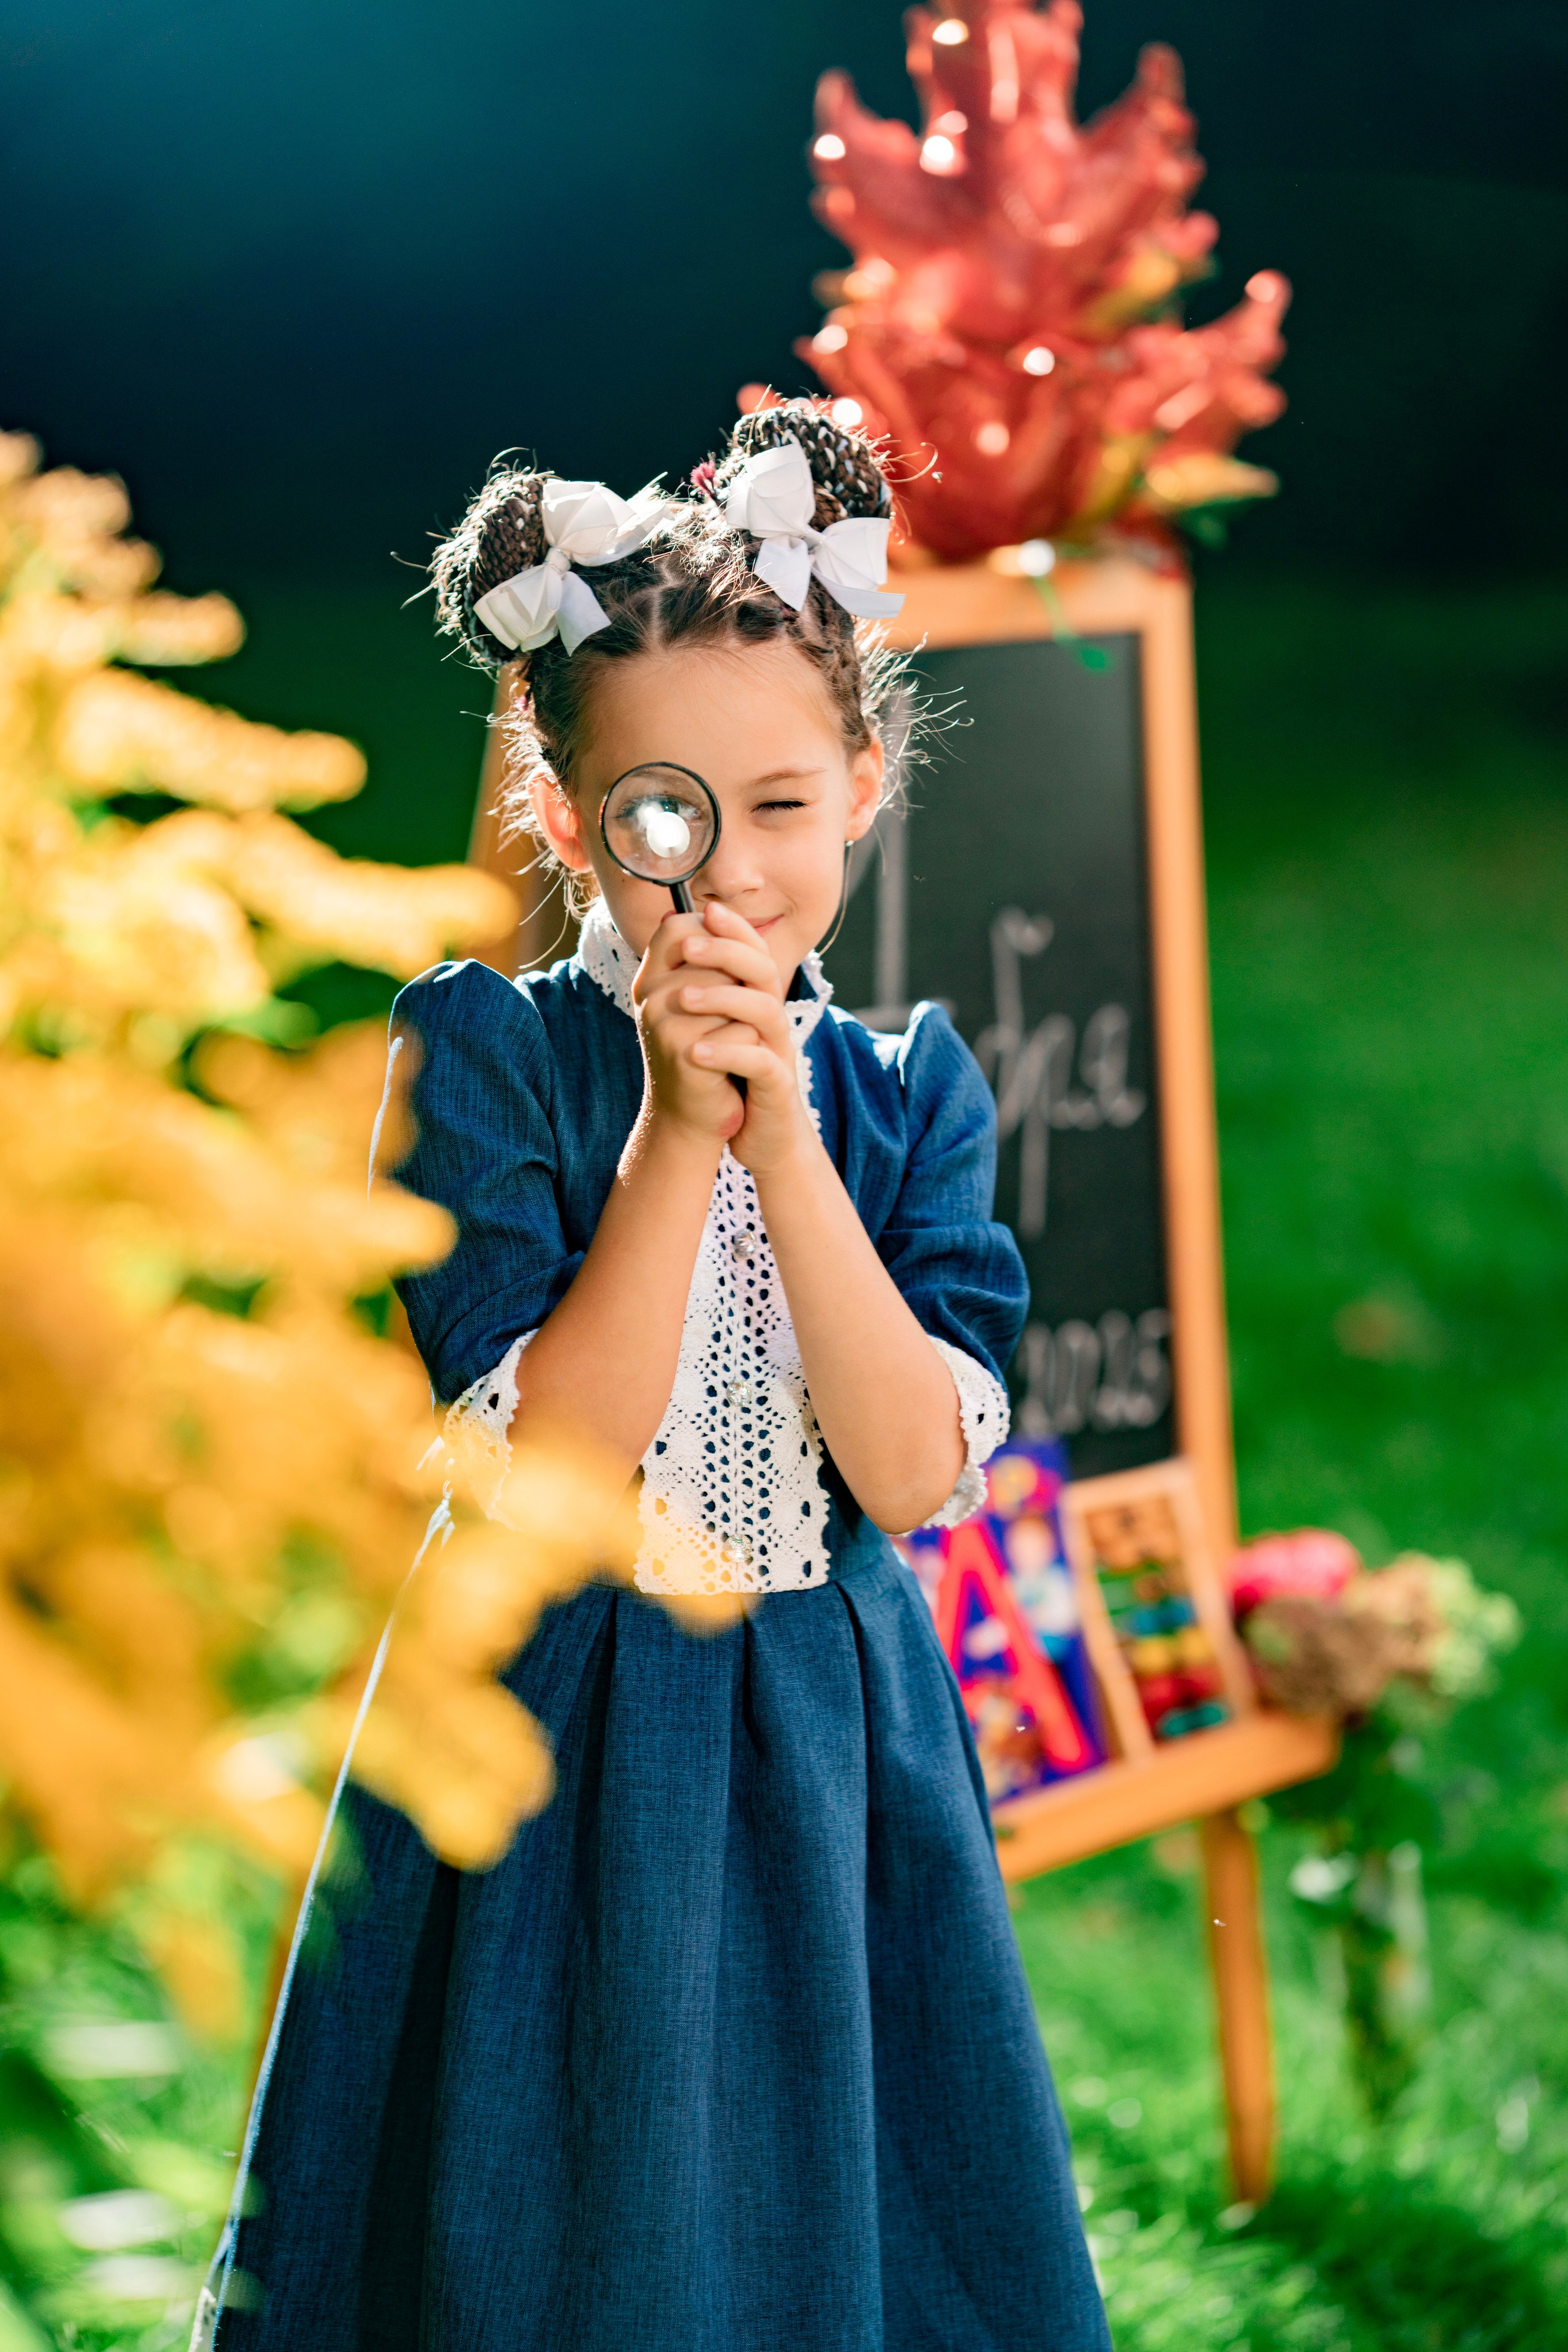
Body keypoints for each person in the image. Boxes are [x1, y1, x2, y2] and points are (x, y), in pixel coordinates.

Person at [199, 399, 1109, 2352]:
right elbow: (564, 1461)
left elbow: (910, 1464)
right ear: (565, 810)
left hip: (822, 1743)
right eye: (664, 816)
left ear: (866, 785)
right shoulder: (488, 1061)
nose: (730, 874)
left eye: (783, 805)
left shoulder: (902, 1095)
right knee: (540, 2215)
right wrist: (676, 1141)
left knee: (834, 2209)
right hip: (551, 1740)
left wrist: (777, 1140)